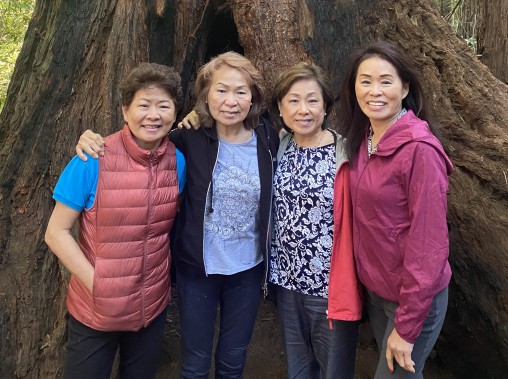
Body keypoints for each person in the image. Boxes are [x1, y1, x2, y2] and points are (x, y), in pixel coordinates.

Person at [75, 52, 279, 379]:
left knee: (233, 360)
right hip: (197, 269)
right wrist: (93, 140)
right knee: (195, 363)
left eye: (241, 91)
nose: (231, 100)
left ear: (253, 97)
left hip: (248, 271)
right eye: (221, 90)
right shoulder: (187, 139)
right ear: (205, 97)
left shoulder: (268, 138)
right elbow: (143, 144)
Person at [45, 63, 186, 379]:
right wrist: (99, 284)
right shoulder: (92, 159)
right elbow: (56, 232)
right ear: (125, 110)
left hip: (152, 307)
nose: (154, 115)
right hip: (96, 310)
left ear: (175, 113)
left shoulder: (177, 161)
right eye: (144, 105)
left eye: (163, 106)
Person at [338, 41, 453, 379]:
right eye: (365, 81)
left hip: (413, 300)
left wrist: (407, 324)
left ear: (405, 88)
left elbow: (429, 244)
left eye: (386, 81)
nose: (375, 91)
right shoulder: (362, 139)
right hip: (377, 291)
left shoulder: (419, 150)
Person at [269, 62, 362, 379]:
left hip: (331, 286)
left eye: (312, 100)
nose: (303, 109)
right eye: (293, 101)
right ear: (281, 108)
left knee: (333, 369)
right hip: (285, 281)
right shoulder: (280, 146)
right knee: (298, 368)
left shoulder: (348, 152)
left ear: (326, 106)